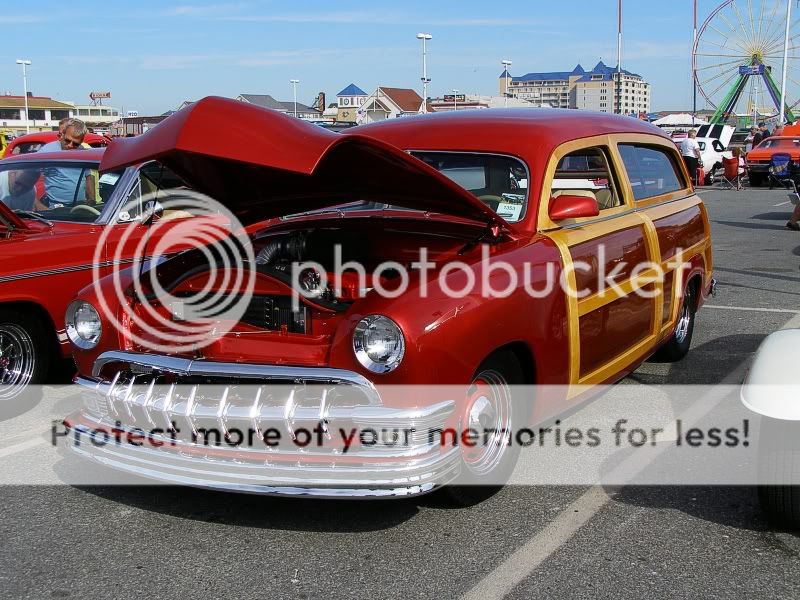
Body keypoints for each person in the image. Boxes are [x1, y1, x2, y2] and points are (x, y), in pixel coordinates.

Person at [37, 118, 95, 206]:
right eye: (67, 140)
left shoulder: (82, 151)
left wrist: (91, 199)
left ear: (81, 141)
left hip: (80, 207)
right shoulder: (47, 151)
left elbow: (88, 177)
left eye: (75, 144)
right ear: (63, 134)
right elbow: (28, 177)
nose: (70, 146)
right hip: (56, 208)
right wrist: (37, 204)